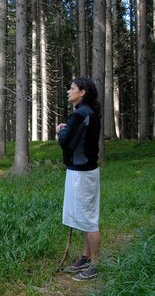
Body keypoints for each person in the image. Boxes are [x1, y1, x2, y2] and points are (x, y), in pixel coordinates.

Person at [56, 77, 101, 281]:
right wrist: (69, 127)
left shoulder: (80, 114)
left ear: (82, 92)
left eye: (72, 88)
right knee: (84, 217)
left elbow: (66, 144)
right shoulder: (87, 113)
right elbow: (80, 137)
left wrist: (61, 131)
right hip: (83, 171)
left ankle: (96, 264)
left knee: (89, 220)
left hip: (82, 174)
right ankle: (86, 256)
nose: (68, 91)